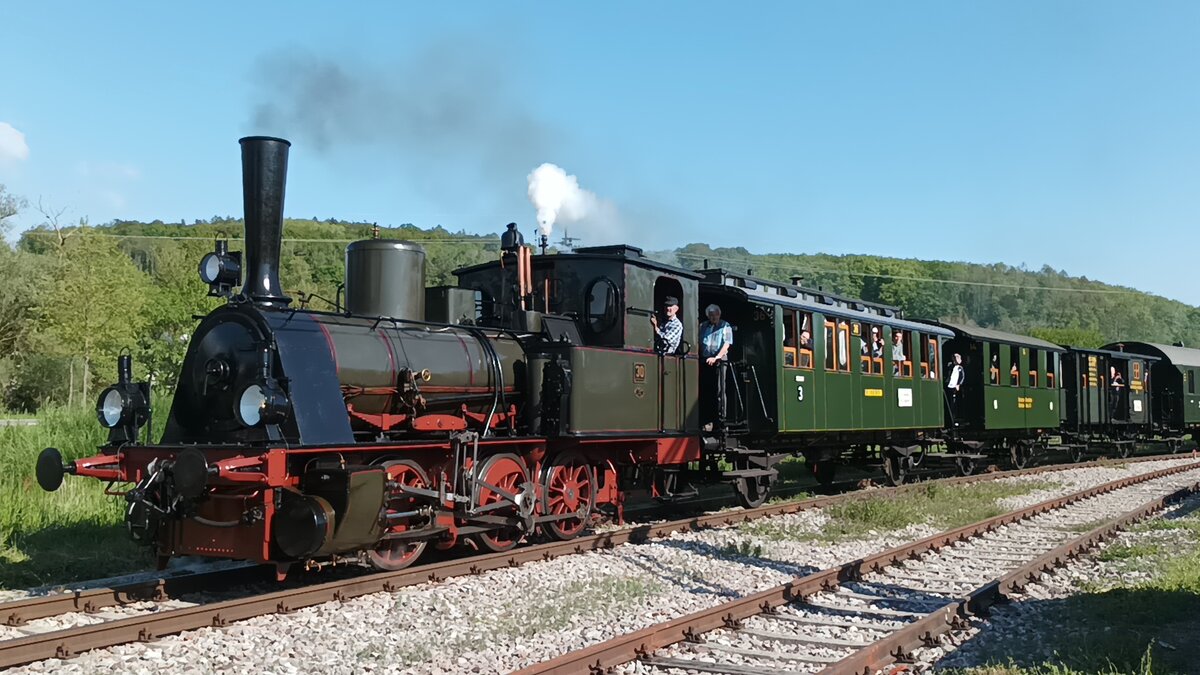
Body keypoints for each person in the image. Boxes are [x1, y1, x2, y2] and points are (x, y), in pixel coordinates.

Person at [700, 304, 734, 431]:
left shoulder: (725, 326)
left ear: (719, 315)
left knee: (720, 390)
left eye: (715, 315)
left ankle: (721, 419)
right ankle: (706, 418)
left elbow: (727, 344)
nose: (713, 317)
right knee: (706, 390)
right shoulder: (703, 326)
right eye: (711, 315)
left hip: (719, 361)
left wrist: (717, 357)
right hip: (705, 360)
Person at [947, 352, 966, 424]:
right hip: (950, 385)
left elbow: (962, 377)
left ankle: (955, 416)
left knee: (955, 401)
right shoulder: (951, 366)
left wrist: (958, 384)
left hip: (955, 386)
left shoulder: (960, 368)